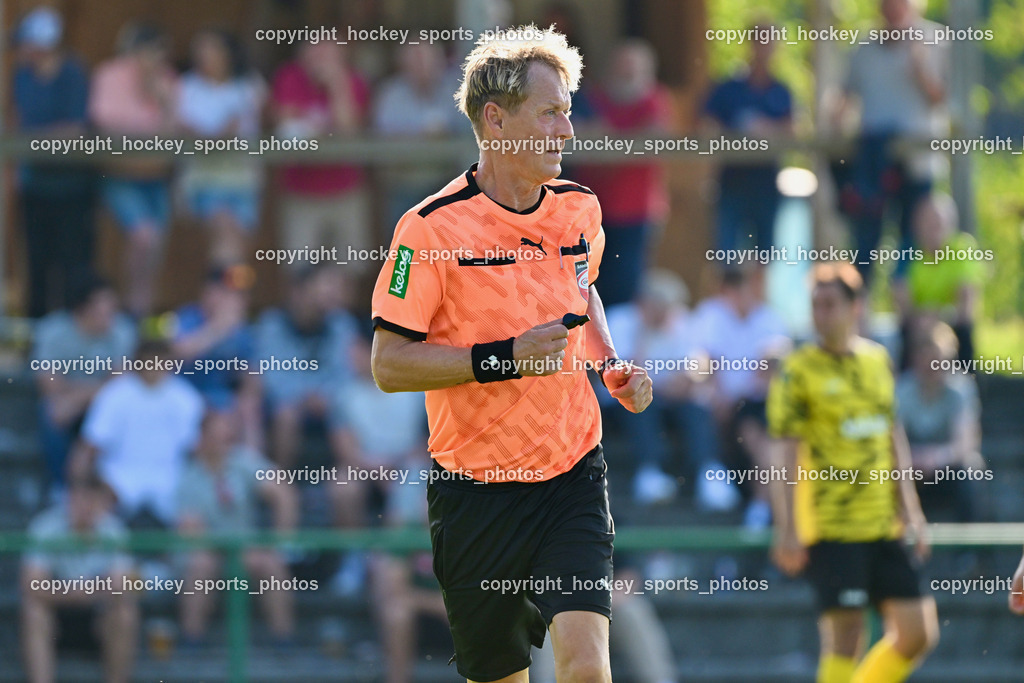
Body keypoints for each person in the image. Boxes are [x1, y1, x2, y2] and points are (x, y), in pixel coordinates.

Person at [371, 25, 653, 683]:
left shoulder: (580, 210)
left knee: (586, 664)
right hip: (476, 494)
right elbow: (388, 363)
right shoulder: (427, 230)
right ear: (495, 120)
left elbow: (583, 294)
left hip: (571, 474)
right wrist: (504, 356)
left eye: (568, 112)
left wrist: (610, 363)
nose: (568, 131)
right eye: (550, 113)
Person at [768, 262, 938, 683]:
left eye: (829, 305)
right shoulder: (799, 369)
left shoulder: (877, 360)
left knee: (918, 633)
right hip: (831, 526)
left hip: (883, 523)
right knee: (846, 636)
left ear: (855, 307)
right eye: (815, 305)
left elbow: (892, 436)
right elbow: (785, 454)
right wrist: (787, 526)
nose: (820, 314)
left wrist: (911, 509)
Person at [831, 0, 949, 286]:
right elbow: (844, 99)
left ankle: (911, 316)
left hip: (918, 164)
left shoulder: (936, 40)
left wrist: (919, 67)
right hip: (872, 164)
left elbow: (942, 100)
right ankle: (860, 312)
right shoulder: (864, 48)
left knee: (913, 242)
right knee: (866, 241)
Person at [605, 268, 734, 509]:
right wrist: (644, 330)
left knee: (696, 409)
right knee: (636, 404)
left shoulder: (681, 320)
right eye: (660, 306)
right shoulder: (620, 320)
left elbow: (697, 366)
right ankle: (649, 471)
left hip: (669, 401)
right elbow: (623, 377)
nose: (667, 314)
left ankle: (709, 473)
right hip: (624, 403)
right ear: (644, 303)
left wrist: (687, 381)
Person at [177, 409, 298, 646]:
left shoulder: (242, 461)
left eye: (227, 434)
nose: (224, 440)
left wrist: (279, 542)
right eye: (217, 434)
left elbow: (282, 492)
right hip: (210, 552)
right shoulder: (189, 477)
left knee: (271, 563)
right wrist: (232, 550)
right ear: (202, 437)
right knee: (200, 564)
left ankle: (283, 639)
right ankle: (192, 639)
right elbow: (192, 534)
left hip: (247, 549)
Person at [571, 39, 672, 310]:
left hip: (637, 213)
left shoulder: (654, 101)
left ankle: (619, 352)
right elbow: (579, 137)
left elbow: (652, 140)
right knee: (587, 289)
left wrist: (606, 139)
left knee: (627, 291)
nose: (626, 75)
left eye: (633, 70)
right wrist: (619, 141)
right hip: (590, 213)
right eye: (621, 68)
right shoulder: (591, 99)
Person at [89, 22, 178, 317]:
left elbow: (175, 134)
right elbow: (105, 123)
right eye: (149, 51)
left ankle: (142, 316)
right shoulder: (110, 75)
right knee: (143, 236)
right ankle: (127, 309)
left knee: (156, 252)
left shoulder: (167, 80)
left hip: (157, 178)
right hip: (120, 176)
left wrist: (160, 97)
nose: (155, 59)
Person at [11, 7, 96, 317]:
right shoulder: (21, 75)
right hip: (35, 185)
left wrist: (30, 139)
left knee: (72, 261)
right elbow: (17, 122)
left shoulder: (72, 72)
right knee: (37, 262)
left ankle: (74, 324)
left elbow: (75, 128)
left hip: (71, 186)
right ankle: (38, 329)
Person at [70, 338, 205, 527]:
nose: (155, 366)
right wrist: (78, 484)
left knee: (193, 514)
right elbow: (91, 444)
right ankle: (112, 554)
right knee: (96, 504)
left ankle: (179, 556)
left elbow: (195, 449)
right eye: (149, 360)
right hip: (119, 476)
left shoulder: (186, 398)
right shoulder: (115, 394)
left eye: (161, 360)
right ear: (138, 361)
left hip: (172, 476)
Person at [21, 472, 139, 683]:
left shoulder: (113, 530)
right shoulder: (45, 527)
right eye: (77, 498)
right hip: (57, 616)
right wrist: (80, 592)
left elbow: (126, 585)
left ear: (99, 501)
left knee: (125, 613)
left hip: (97, 616)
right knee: (34, 613)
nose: (83, 506)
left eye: (89, 499)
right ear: (68, 499)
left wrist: (72, 590)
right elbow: (32, 585)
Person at [32, 273, 136, 495]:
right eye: (105, 304)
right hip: (68, 405)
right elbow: (49, 382)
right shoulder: (52, 331)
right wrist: (94, 390)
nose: (112, 311)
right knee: (51, 413)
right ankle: (61, 489)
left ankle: (106, 490)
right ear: (84, 307)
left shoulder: (122, 331)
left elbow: (120, 384)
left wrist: (78, 397)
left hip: (104, 405)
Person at [271, 41, 371, 266]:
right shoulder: (290, 77)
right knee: (300, 269)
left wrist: (337, 85)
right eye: (314, 49)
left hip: (345, 189)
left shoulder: (353, 80)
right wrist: (324, 132)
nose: (320, 57)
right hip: (301, 191)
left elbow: (348, 131)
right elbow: (287, 130)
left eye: (327, 51)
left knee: (348, 266)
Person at [177, 28, 265, 265]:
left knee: (240, 247)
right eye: (199, 48)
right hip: (203, 179)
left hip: (244, 179)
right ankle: (225, 295)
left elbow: (256, 123)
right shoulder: (186, 87)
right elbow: (190, 132)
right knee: (226, 236)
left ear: (228, 53)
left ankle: (233, 296)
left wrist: (217, 136)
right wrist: (221, 135)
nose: (203, 54)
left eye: (211, 47)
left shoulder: (250, 84)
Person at [702, 22, 792, 253]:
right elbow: (705, 124)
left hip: (767, 183)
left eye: (769, 42)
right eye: (759, 41)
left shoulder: (781, 91)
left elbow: (793, 131)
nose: (763, 47)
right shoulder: (727, 89)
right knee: (725, 254)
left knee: (764, 255)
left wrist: (767, 129)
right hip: (731, 181)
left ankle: (757, 292)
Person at [373, 42, 466, 231]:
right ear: (403, 64)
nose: (422, 66)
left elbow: (468, 130)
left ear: (439, 62)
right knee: (403, 251)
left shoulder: (455, 90)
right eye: (415, 60)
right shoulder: (391, 93)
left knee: (445, 247)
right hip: (404, 185)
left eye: (427, 60)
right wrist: (422, 135)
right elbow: (383, 137)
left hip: (446, 184)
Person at [894, 193, 982, 370]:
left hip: (952, 321)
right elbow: (900, 297)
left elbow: (966, 301)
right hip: (918, 322)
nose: (934, 229)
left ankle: (969, 384)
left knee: (965, 332)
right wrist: (920, 319)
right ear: (917, 225)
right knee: (904, 333)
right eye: (928, 223)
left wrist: (940, 318)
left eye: (939, 223)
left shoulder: (962, 247)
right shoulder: (907, 250)